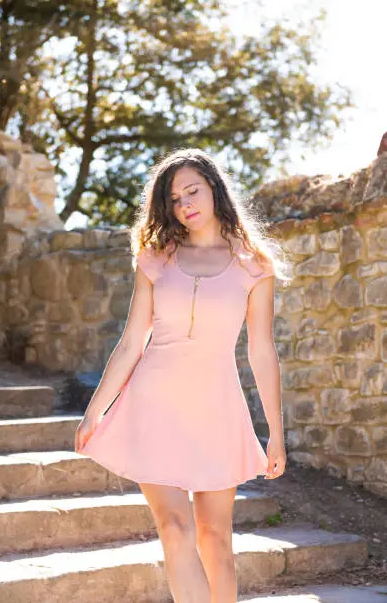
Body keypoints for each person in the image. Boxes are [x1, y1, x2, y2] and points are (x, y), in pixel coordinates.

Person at [75, 148, 292, 603]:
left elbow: (261, 349)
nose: (185, 204)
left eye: (192, 191)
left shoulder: (255, 266)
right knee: (174, 528)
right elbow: (133, 340)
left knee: (215, 539)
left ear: (215, 189)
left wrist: (274, 431)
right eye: (174, 199)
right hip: (152, 403)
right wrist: (96, 410)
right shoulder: (156, 259)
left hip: (216, 407)